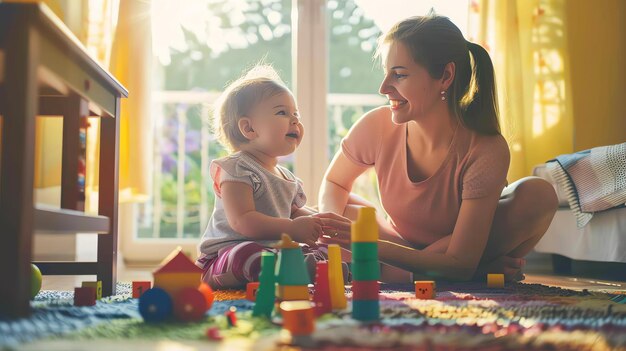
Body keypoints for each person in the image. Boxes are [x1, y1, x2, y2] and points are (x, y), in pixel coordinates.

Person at [318, 15, 558, 282]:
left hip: (455, 252)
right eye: (386, 74)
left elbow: (459, 259)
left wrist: (364, 247)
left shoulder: (485, 149)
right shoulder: (376, 125)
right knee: (334, 210)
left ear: (445, 76)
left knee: (538, 195)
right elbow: (334, 182)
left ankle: (408, 272)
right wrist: (330, 227)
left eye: (399, 75)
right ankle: (450, 272)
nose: (384, 88)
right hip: (400, 245)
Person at [197, 65, 351, 289]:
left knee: (326, 250)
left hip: (272, 252)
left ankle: (319, 268)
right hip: (225, 257)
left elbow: (295, 212)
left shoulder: (286, 177)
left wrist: (320, 221)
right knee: (248, 253)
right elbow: (243, 221)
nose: (295, 120)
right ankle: (296, 270)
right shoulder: (236, 169)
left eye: (295, 114)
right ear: (249, 128)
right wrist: (292, 228)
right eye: (282, 113)